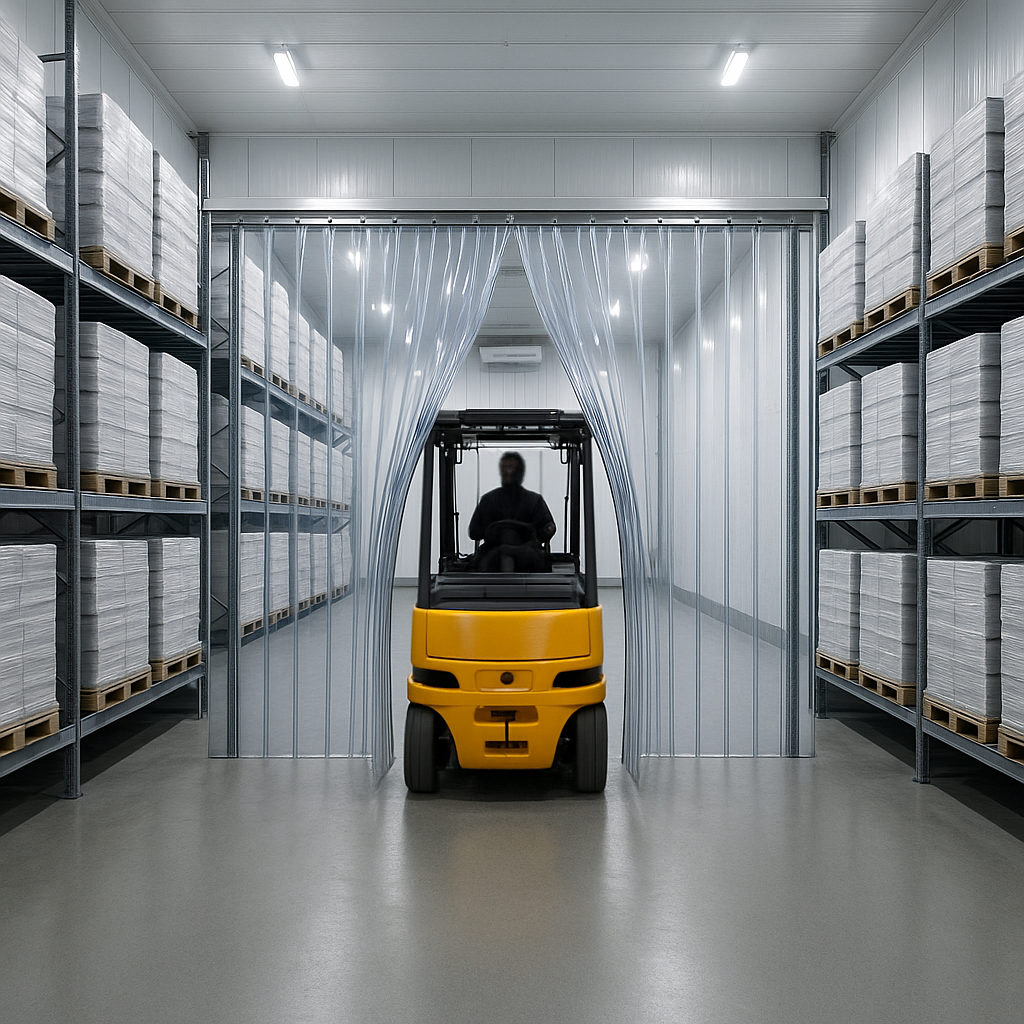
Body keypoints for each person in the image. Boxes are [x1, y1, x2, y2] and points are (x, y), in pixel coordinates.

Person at [468, 452, 556, 571]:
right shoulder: (488, 501)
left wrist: (547, 529)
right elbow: (474, 532)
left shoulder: (534, 501)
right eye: (505, 468)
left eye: (512, 468)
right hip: (493, 550)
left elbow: (546, 529)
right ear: (501, 471)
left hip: (527, 551)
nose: (508, 472)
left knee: (536, 560)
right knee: (484, 562)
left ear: (520, 471)